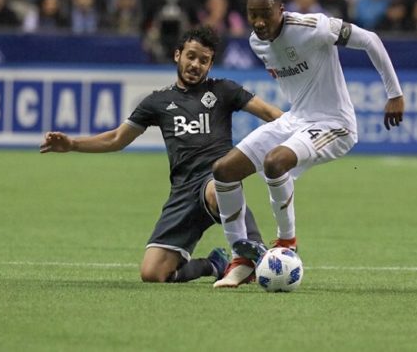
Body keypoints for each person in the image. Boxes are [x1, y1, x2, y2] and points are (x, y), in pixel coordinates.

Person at [39, 26, 283, 284]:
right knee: (152, 274)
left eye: (204, 60)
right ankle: (213, 264)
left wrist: (300, 134)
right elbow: (116, 139)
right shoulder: (157, 101)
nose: (195, 65)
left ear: (211, 65)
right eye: (191, 56)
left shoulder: (224, 90)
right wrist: (73, 144)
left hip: (214, 181)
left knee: (219, 186)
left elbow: (271, 114)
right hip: (182, 193)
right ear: (177, 55)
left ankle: (255, 253)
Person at [211, 0, 404, 288]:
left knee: (275, 162)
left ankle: (287, 244)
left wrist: (394, 94)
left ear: (281, 9)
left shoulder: (313, 26)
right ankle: (242, 259)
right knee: (223, 171)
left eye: (266, 13)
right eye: (252, 14)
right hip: (296, 119)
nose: (259, 22)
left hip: (334, 124)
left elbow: (370, 39)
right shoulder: (255, 42)